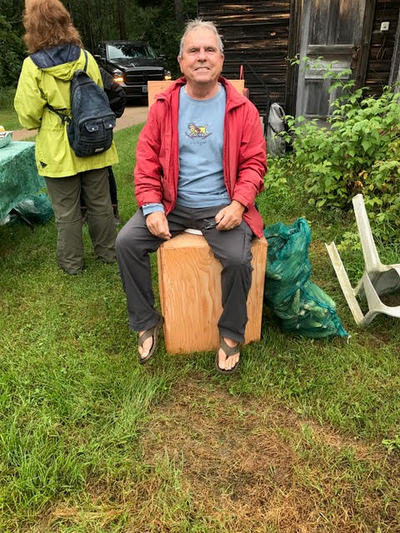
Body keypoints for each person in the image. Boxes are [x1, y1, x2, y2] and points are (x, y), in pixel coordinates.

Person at [116, 19, 267, 373]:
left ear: (221, 60)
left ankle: (231, 332)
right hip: (173, 203)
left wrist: (239, 204)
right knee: (126, 243)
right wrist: (152, 207)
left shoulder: (241, 109)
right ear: (181, 61)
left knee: (237, 260)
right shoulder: (165, 105)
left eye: (209, 50)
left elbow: (255, 164)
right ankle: (145, 320)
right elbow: (146, 161)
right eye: (193, 50)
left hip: (222, 205)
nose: (202, 57)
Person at [14, 0, 118, 275]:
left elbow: (28, 116)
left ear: (33, 27)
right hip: (92, 139)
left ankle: (72, 264)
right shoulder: (85, 57)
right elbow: (99, 94)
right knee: (100, 204)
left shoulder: (32, 66)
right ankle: (108, 253)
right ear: (65, 21)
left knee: (66, 211)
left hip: (57, 148)